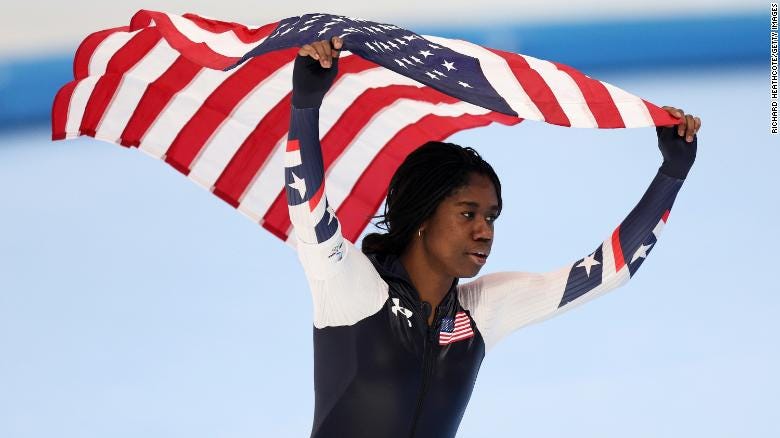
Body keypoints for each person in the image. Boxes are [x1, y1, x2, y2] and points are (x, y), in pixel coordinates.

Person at [285, 37, 700, 438]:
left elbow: (608, 270)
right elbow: (309, 212)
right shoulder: (354, 289)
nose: (485, 232)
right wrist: (306, 103)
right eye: (468, 214)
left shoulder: (477, 314)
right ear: (423, 218)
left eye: (491, 217)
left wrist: (671, 174)